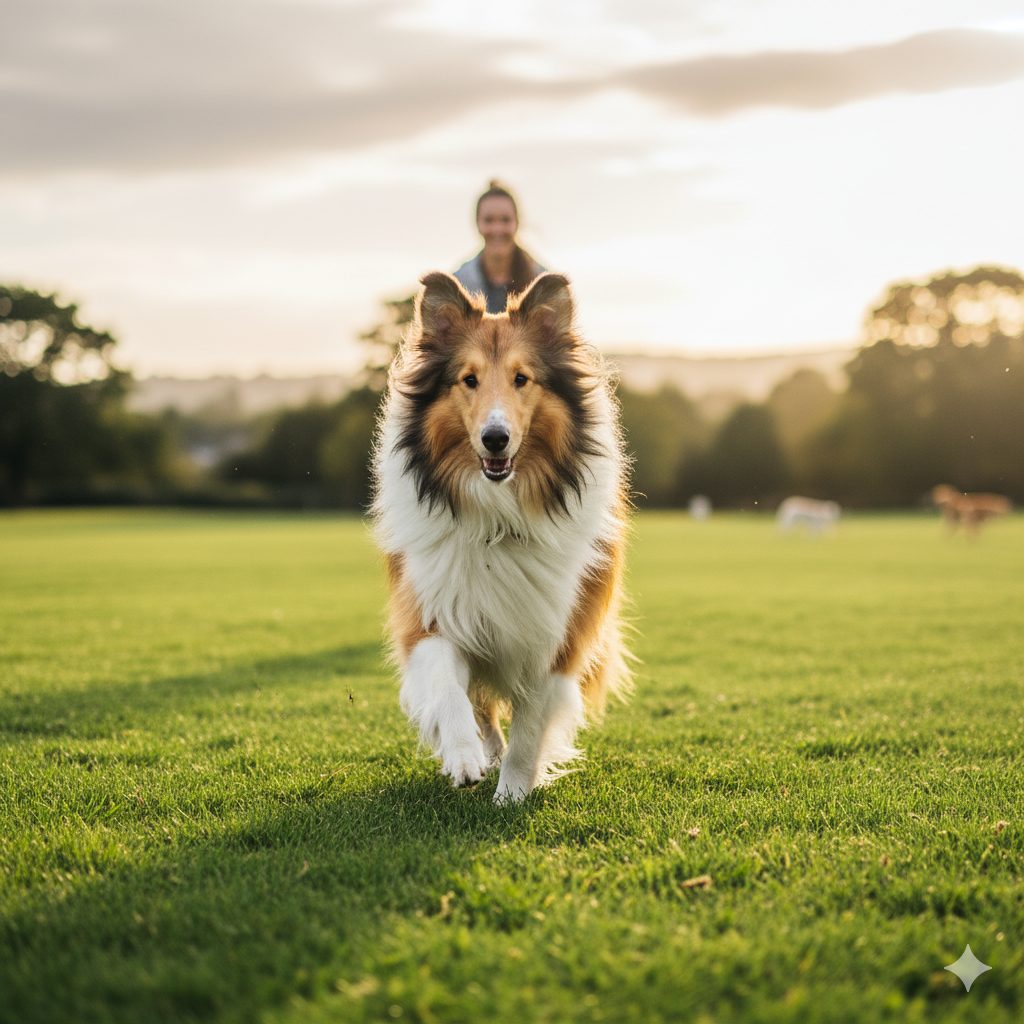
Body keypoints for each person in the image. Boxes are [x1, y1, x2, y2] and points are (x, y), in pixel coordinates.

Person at [454, 181, 545, 313]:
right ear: (477, 224)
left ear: (517, 223)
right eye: (489, 220)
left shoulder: (541, 282)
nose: (497, 229)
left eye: (505, 220)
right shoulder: (459, 283)